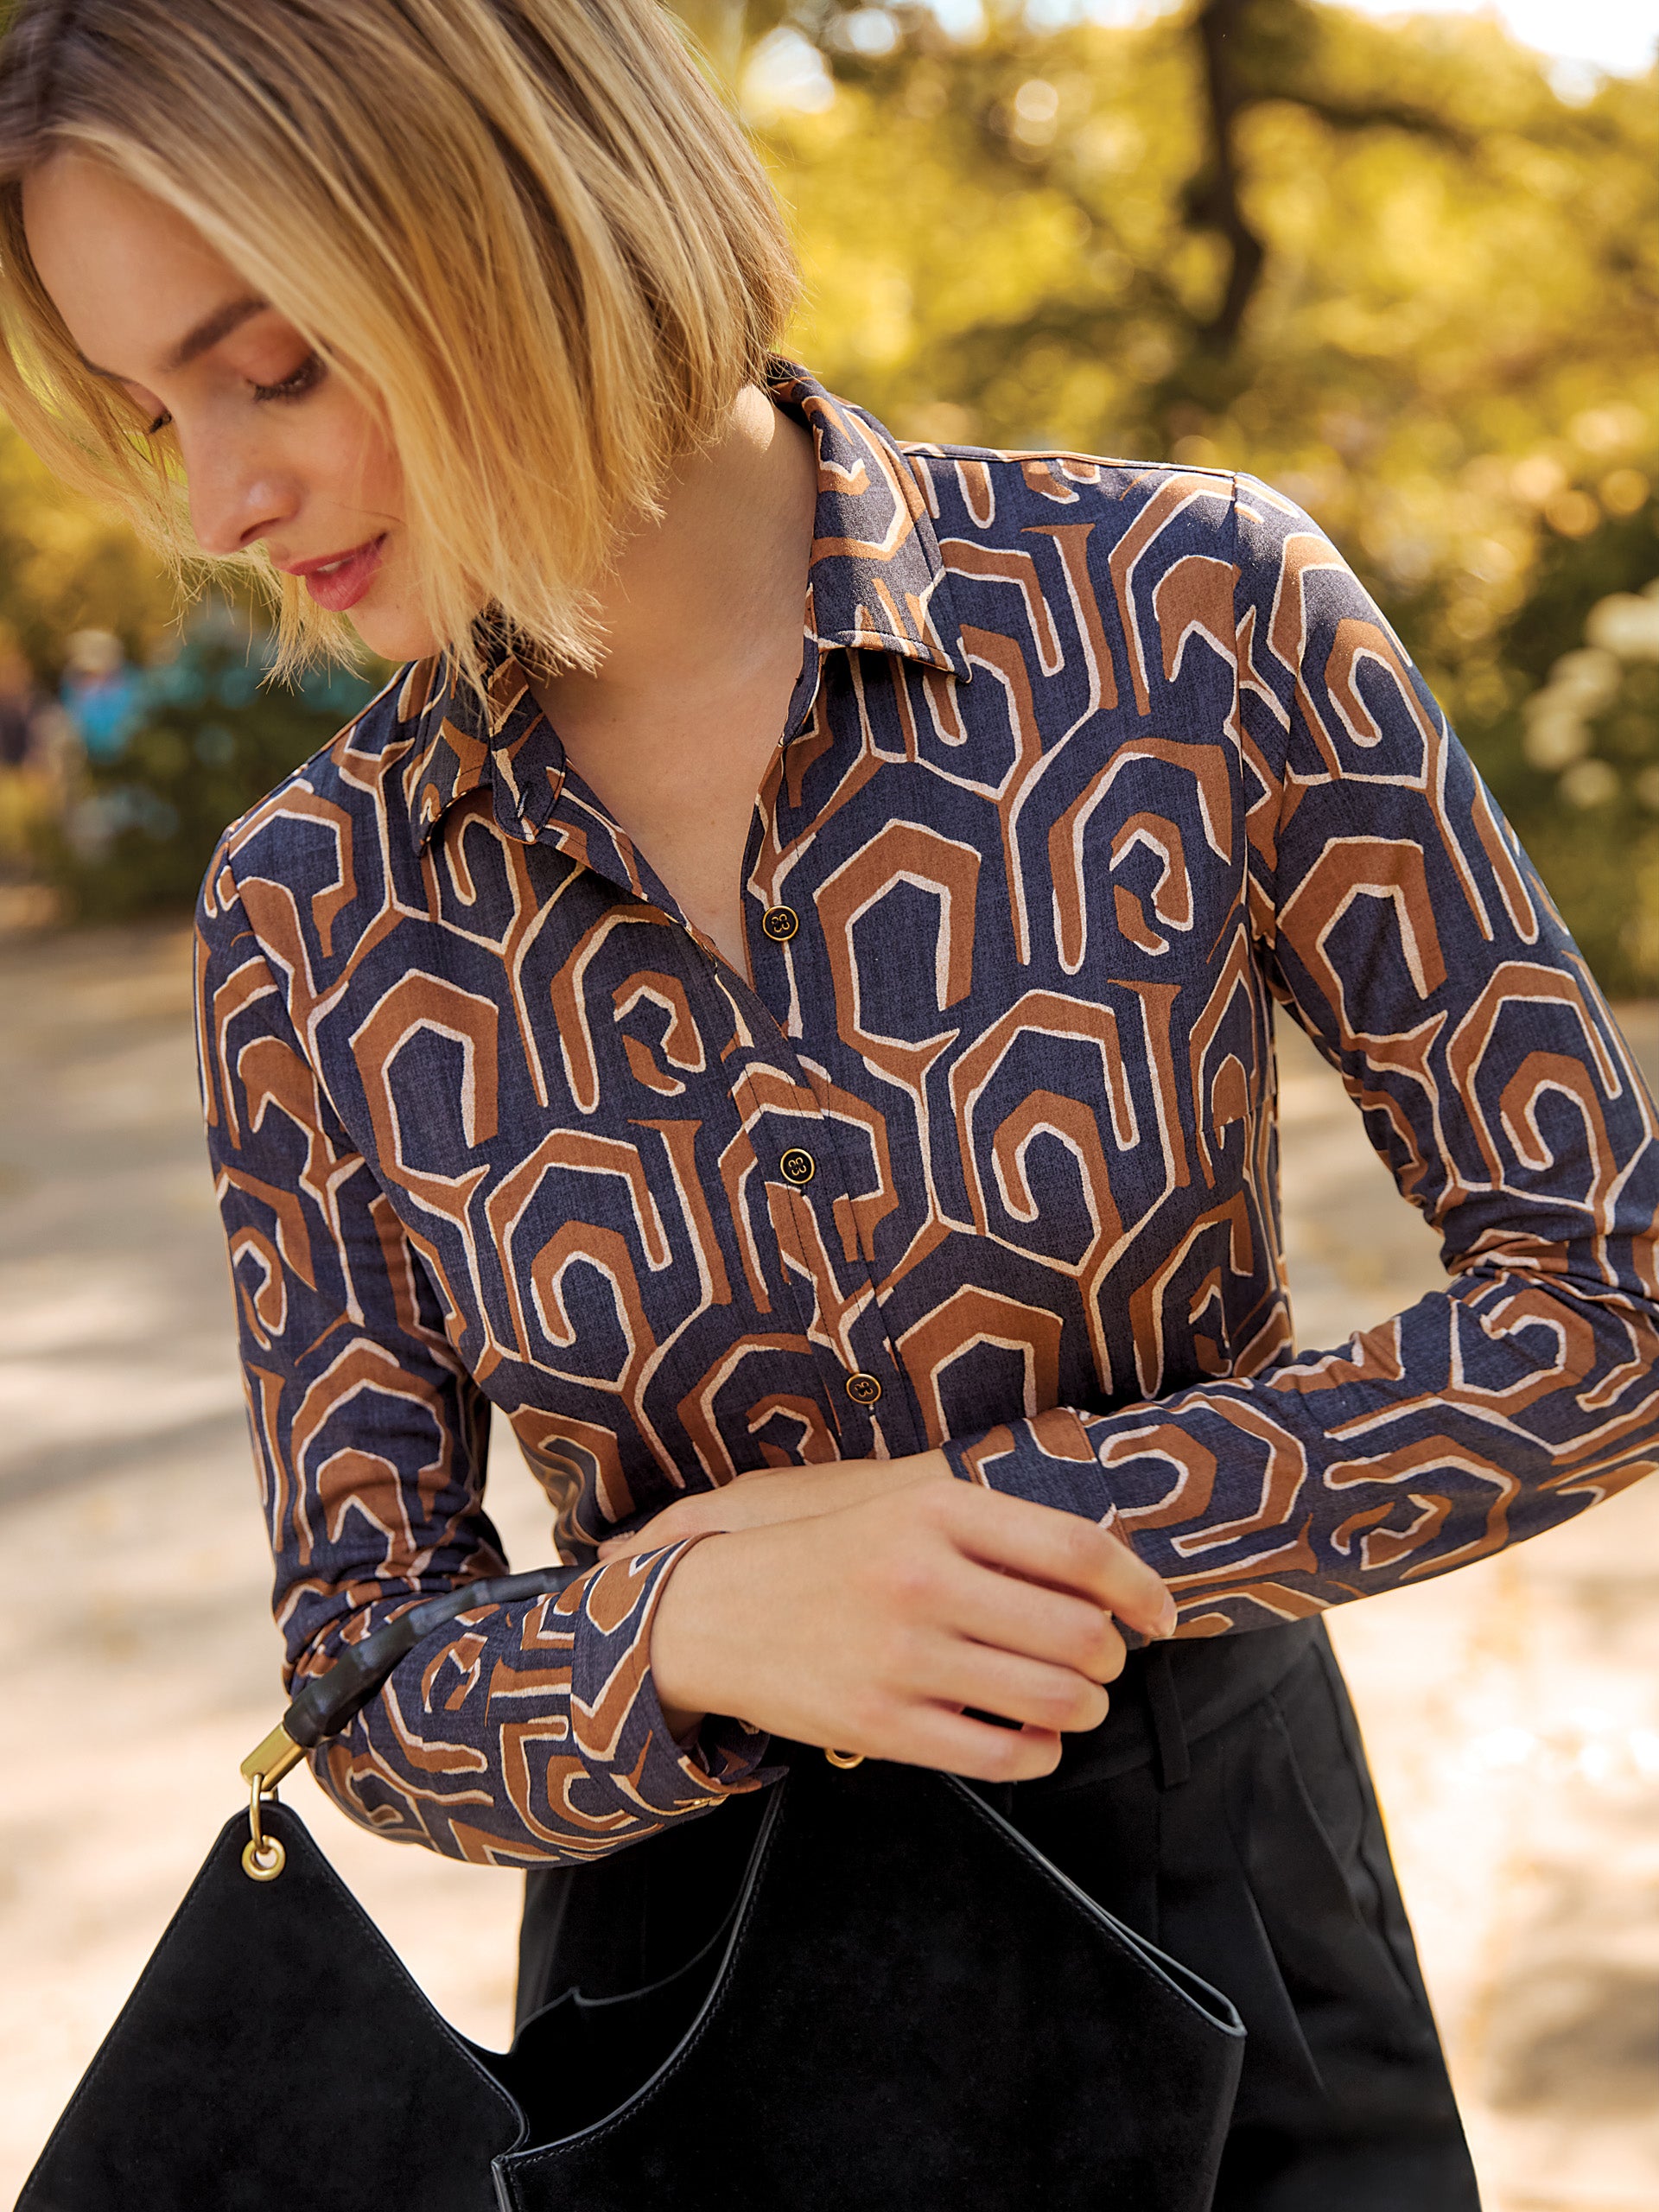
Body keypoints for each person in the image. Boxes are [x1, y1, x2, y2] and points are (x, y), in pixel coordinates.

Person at [2, 3, 1655, 2203]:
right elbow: (364, 1666)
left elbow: (1607, 1292)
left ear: (527, 208)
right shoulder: (308, 904)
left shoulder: (1187, 614)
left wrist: (964, 1538)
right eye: (151, 407)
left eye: (276, 362)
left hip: (1234, 1933)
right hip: (676, 2050)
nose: (219, 496)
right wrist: (686, 1619)